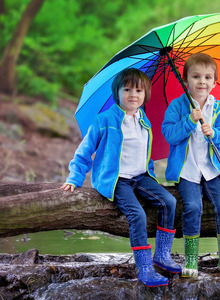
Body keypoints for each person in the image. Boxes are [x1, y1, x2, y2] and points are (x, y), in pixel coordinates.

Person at [60, 68, 181, 287]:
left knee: (169, 201)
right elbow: (84, 151)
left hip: (140, 177)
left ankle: (162, 255)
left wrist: (151, 175)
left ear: (145, 95)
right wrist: (74, 177)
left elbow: (145, 155)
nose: (133, 94)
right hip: (117, 179)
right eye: (127, 89)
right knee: (137, 215)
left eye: (138, 90)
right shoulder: (104, 120)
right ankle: (145, 268)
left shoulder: (144, 121)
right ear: (118, 93)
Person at [162, 53, 220, 277]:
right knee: (193, 208)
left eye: (207, 77)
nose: (202, 82)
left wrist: (214, 133)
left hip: (212, 170)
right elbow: (169, 134)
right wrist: (188, 121)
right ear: (185, 80)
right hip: (188, 171)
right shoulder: (178, 106)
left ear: (214, 82)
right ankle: (191, 260)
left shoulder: (218, 109)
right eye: (196, 76)